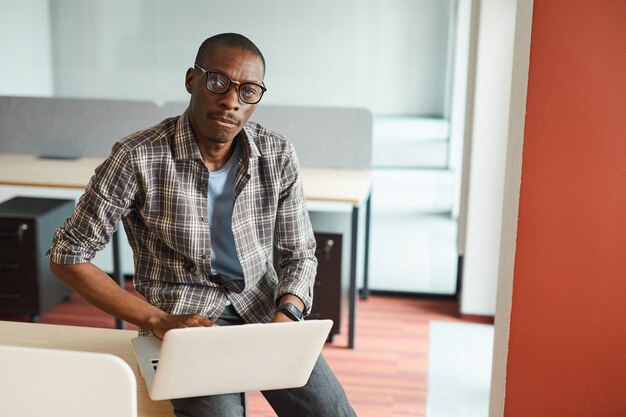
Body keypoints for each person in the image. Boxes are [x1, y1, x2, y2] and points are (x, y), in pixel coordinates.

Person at [48, 33, 356, 417]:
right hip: (182, 319)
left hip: (261, 308)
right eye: (218, 83)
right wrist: (156, 319)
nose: (231, 101)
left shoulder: (277, 154)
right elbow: (67, 256)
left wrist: (288, 315)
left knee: (332, 413)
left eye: (248, 91)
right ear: (192, 80)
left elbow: (300, 253)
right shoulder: (136, 157)